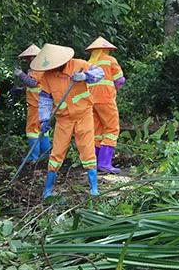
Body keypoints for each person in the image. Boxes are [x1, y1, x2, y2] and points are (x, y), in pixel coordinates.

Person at [30, 43, 104, 198]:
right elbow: (44, 100)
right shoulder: (47, 76)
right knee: (57, 152)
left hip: (84, 115)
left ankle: (94, 189)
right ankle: (48, 190)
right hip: (63, 119)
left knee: (87, 149)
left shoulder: (79, 65)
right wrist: (44, 120)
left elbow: (100, 73)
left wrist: (85, 76)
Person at [85, 36, 126, 174]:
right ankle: (105, 163)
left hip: (91, 100)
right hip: (106, 99)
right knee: (112, 129)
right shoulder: (110, 60)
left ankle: (95, 162)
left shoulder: (88, 63)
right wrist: (116, 89)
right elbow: (119, 80)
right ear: (106, 49)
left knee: (97, 131)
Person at [14, 44, 50, 162]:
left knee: (32, 129)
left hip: (36, 103)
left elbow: (33, 83)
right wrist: (21, 89)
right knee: (43, 128)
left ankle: (34, 156)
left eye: (30, 58)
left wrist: (20, 74)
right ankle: (45, 153)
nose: (28, 60)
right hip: (43, 103)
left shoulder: (37, 68)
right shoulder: (44, 67)